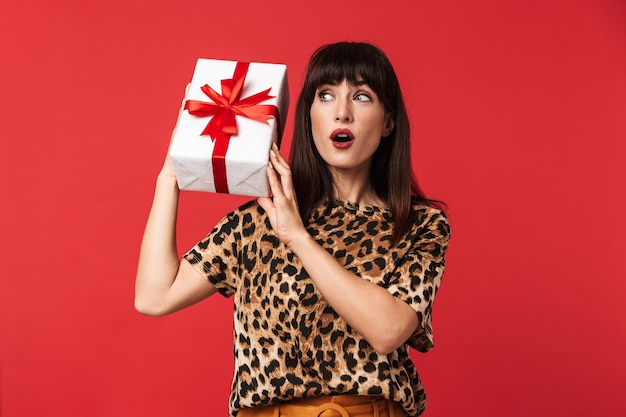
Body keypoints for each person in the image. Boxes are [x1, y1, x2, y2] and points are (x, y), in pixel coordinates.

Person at [135, 41, 450, 417]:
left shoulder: (420, 225)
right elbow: (154, 297)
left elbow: (388, 331)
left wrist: (298, 237)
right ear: (309, 115)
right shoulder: (259, 219)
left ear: (388, 121)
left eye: (362, 96)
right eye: (327, 95)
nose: (342, 113)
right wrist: (172, 172)